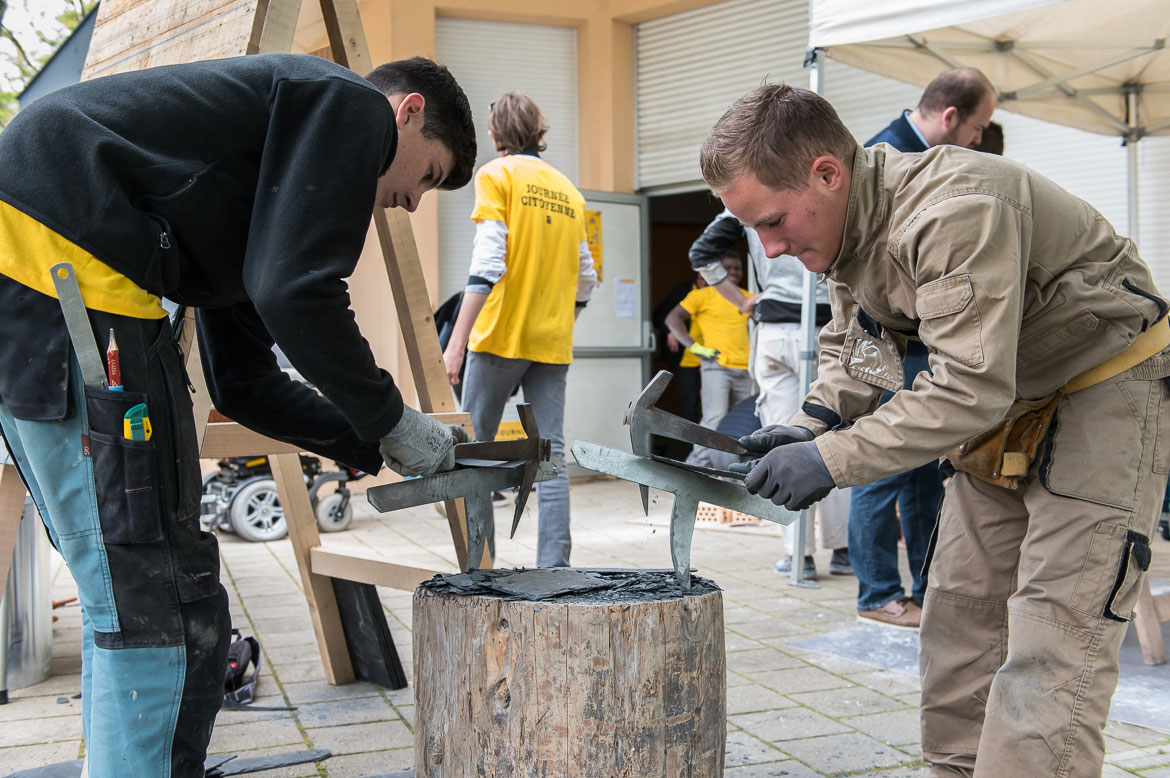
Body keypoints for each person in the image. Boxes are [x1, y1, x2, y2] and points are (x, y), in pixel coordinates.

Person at [0, 54, 476, 777]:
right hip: (68, 271)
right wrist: (394, 419)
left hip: (52, 277)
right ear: (406, 112)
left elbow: (246, 382)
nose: (412, 201)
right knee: (156, 608)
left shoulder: (250, 186)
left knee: (135, 603)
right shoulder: (353, 107)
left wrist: (368, 443)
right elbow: (299, 295)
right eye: (429, 176)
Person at [707, 83, 1168, 778]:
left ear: (826, 173)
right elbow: (861, 350)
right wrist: (808, 425)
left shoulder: (956, 210)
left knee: (1052, 647)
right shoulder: (845, 229)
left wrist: (831, 459)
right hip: (1009, 397)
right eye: (753, 230)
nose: (768, 250)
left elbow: (968, 389)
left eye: (772, 222)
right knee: (959, 625)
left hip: (1104, 388)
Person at [846, 67, 999, 628]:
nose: (979, 140)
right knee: (882, 466)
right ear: (951, 116)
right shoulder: (886, 161)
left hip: (922, 346)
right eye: (978, 128)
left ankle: (924, 588)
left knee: (921, 469)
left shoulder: (931, 166)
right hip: (888, 342)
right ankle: (878, 594)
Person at [442, 92, 596, 568]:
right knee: (549, 456)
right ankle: (555, 567)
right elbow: (588, 276)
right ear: (539, 132)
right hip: (551, 344)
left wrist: (456, 341)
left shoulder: (496, 175)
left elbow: (488, 263)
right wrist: (561, 321)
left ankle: (479, 564)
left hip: (499, 337)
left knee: (475, 454)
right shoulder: (570, 191)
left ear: (494, 135)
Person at [688, 209, 849, 580]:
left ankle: (799, 557)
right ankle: (842, 549)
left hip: (776, 328)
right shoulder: (824, 188)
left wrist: (741, 300)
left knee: (784, 439)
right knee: (838, 435)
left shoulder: (748, 198)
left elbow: (702, 253)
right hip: (831, 328)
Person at [664, 250, 753, 465]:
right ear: (718, 271)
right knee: (713, 422)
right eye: (728, 268)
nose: (733, 272)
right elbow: (672, 318)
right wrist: (695, 347)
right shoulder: (702, 295)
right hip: (717, 367)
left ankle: (731, 474)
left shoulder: (746, 298)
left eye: (737, 268)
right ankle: (694, 471)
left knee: (739, 426)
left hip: (745, 370)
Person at [651, 272, 706, 425]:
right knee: (690, 403)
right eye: (702, 279)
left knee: (710, 405)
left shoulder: (719, 292)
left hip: (710, 357)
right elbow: (659, 316)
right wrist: (670, 331)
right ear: (696, 277)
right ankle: (690, 448)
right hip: (684, 357)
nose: (705, 283)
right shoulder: (683, 291)